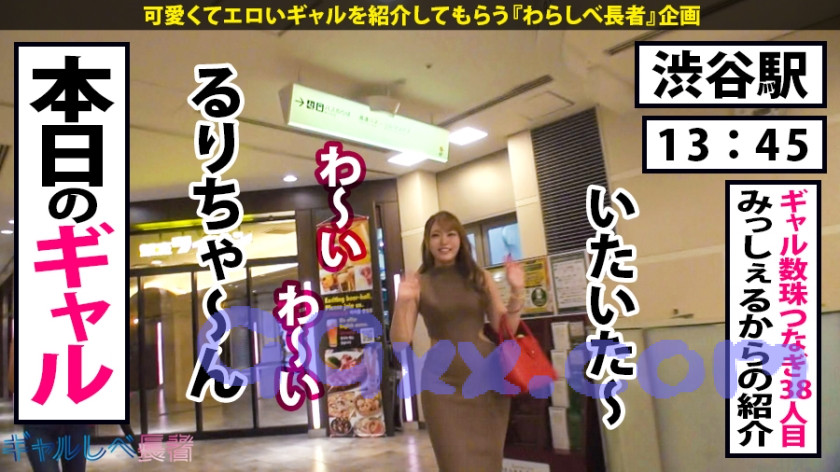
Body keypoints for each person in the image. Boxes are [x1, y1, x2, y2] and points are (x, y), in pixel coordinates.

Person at [390, 211, 526, 472]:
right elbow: (400, 340)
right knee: (454, 464)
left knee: (488, 464)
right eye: (436, 235)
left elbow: (504, 328)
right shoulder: (419, 282)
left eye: (451, 234)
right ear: (427, 242)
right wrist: (402, 301)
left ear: (461, 239)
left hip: (487, 380)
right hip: (441, 385)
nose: (444, 241)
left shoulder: (479, 277)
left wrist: (517, 291)